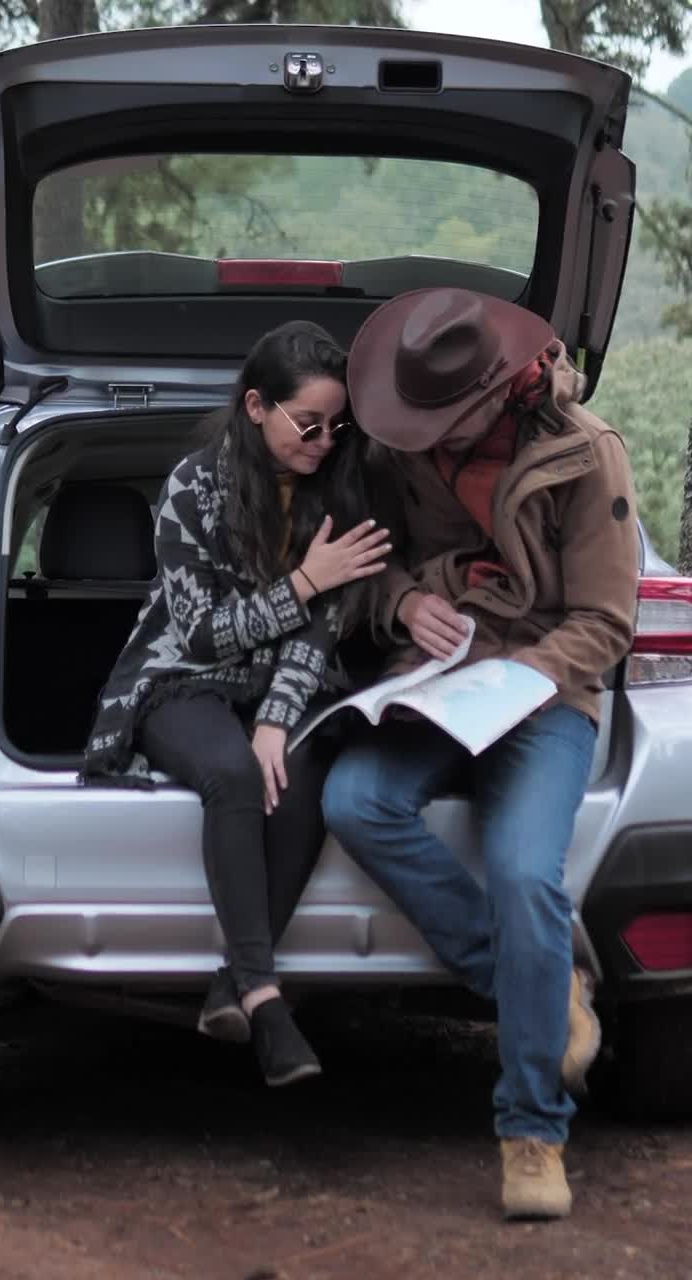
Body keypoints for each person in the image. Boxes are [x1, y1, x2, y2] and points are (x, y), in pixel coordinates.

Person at [322, 288, 639, 1218]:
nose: (421, 435)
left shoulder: (588, 452)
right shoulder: (394, 447)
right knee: (354, 801)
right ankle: (545, 993)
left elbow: (606, 623)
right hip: (435, 682)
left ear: (499, 389)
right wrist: (402, 603)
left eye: (440, 420)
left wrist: (523, 679)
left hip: (543, 695)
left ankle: (532, 1131)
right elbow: (368, 563)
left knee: (522, 874)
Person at [82, 320, 391, 1088]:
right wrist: (306, 580)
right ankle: (263, 994)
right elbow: (205, 635)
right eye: (309, 424)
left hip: (289, 683)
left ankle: (236, 986)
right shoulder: (191, 487)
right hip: (180, 675)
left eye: (337, 426)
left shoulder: (339, 487)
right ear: (256, 406)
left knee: (300, 778)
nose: (325, 441)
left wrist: (279, 720)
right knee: (233, 776)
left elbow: (322, 636)